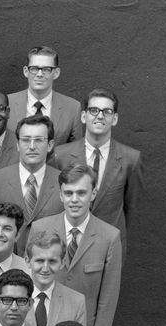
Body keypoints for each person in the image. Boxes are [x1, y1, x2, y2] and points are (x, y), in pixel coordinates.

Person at [29, 164, 123, 326]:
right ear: (61, 195)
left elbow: (108, 298)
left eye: (81, 193)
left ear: (93, 194)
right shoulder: (40, 228)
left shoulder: (109, 237)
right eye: (68, 193)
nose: (74, 199)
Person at [52, 88, 142, 245]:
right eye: (94, 110)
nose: (100, 116)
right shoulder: (60, 156)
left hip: (109, 244)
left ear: (114, 118)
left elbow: (131, 208)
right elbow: (55, 202)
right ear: (83, 116)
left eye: (107, 111)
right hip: (67, 242)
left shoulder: (131, 159)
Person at [0, 115, 64, 250]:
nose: (32, 146)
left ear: (50, 145)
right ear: (17, 145)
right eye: (26, 140)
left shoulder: (62, 183)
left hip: (48, 265)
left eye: (39, 140)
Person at [5, 45, 81, 145]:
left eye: (46, 69)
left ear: (56, 73)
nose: (40, 74)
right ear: (26, 71)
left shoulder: (72, 108)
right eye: (34, 68)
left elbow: (75, 152)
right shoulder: (7, 103)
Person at [22, 231, 88, 326]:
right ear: (27, 261)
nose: (45, 268)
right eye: (40, 261)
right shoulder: (9, 297)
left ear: (62, 263)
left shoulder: (76, 302)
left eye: (52, 261)